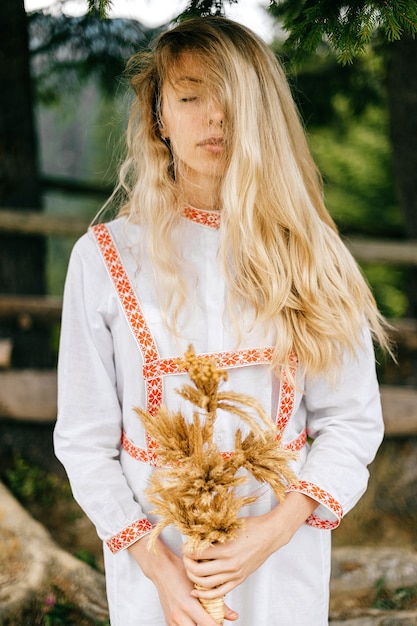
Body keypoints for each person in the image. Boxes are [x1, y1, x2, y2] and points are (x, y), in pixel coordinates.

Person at [54, 16, 390, 626]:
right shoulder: (103, 257)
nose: (215, 118)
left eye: (233, 101)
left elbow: (351, 422)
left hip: (279, 560)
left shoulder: (310, 252)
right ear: (159, 114)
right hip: (156, 569)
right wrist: (157, 567)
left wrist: (274, 530)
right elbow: (84, 438)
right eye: (190, 97)